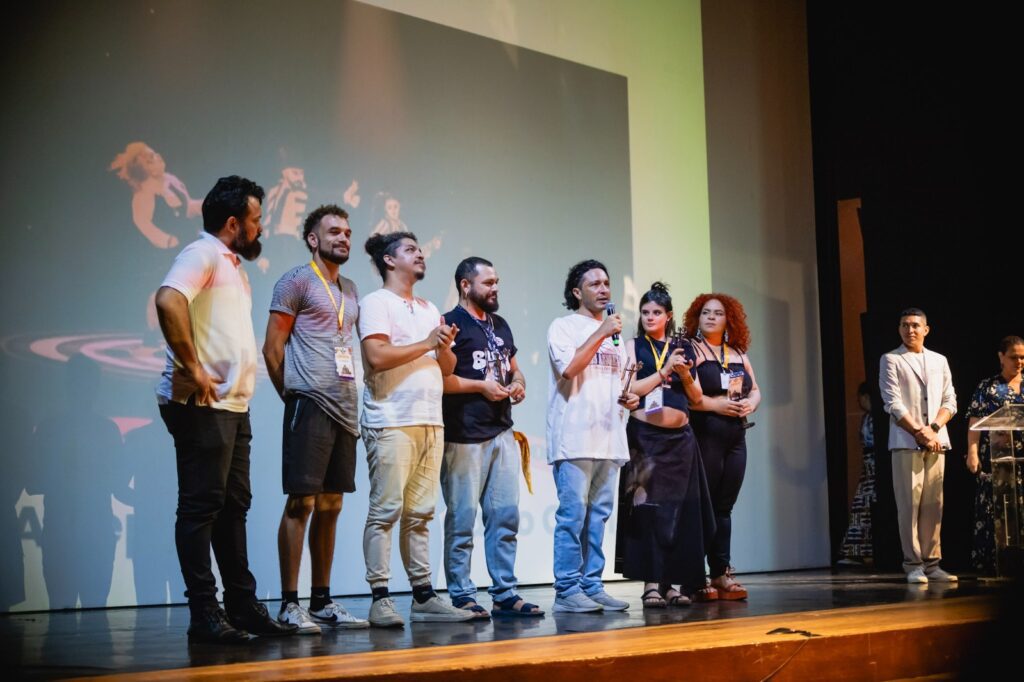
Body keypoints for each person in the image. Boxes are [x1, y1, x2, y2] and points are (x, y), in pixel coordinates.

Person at [155, 175, 296, 642]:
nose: (261, 228)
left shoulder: (232, 265)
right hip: (202, 405)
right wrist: (191, 366)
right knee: (202, 507)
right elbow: (168, 300)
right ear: (233, 223)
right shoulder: (202, 253)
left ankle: (241, 604)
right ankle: (204, 613)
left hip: (233, 406)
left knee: (233, 506)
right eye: (256, 219)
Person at [358, 231, 474, 626]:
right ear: (390, 261)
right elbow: (376, 356)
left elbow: (447, 367)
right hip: (391, 419)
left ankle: (423, 597)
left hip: (430, 419)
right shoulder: (376, 302)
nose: (420, 254)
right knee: (385, 511)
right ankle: (379, 597)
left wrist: (442, 347)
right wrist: (427, 342)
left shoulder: (428, 307)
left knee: (421, 512)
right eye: (411, 250)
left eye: (420, 249)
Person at [263, 205, 368, 633]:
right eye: (334, 231)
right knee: (301, 503)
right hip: (309, 405)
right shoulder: (296, 281)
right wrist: (292, 395)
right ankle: (290, 604)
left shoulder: (351, 289)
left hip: (345, 408)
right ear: (313, 238)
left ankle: (321, 601)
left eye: (347, 232)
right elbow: (273, 348)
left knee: (331, 504)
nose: (343, 238)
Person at [440, 257, 541, 618]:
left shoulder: (501, 324)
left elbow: (516, 370)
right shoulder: (449, 323)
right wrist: (481, 387)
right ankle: (462, 594)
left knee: (505, 517)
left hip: (502, 431)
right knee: (462, 518)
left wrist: (518, 384)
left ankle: (505, 593)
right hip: (464, 435)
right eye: (488, 283)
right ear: (465, 285)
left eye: (497, 281)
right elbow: (442, 380)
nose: (495, 288)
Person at [547, 259, 639, 613]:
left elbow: (617, 384)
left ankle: (591, 584)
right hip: (574, 437)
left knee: (598, 517)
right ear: (577, 292)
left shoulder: (615, 337)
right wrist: (601, 332)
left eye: (606, 283)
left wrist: (629, 398)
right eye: (595, 284)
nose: (604, 290)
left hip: (609, 436)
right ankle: (567, 590)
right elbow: (569, 368)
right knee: (572, 517)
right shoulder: (564, 326)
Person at [615, 283, 712, 608]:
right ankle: (651, 584)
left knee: (678, 512)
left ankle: (672, 584)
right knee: (649, 511)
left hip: (680, 442)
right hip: (646, 439)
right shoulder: (633, 345)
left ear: (668, 315)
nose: (649, 317)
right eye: (645, 312)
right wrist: (664, 370)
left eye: (656, 312)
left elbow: (696, 397)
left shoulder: (683, 347)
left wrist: (684, 374)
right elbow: (630, 388)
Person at [684, 293, 761, 600]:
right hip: (705, 433)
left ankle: (720, 572)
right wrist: (716, 405)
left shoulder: (738, 352)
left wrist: (751, 404)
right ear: (697, 318)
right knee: (702, 507)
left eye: (718, 313)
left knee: (724, 508)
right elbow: (690, 397)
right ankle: (693, 577)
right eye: (706, 312)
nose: (711, 317)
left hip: (736, 435)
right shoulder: (691, 349)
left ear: (729, 319)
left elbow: (755, 390)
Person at [879, 308, 958, 583]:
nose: (910, 330)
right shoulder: (891, 359)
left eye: (915, 325)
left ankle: (932, 564)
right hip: (906, 442)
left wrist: (933, 429)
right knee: (909, 505)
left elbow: (950, 401)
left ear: (926, 329)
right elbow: (892, 402)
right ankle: (913, 563)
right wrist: (918, 432)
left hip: (936, 441)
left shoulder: (939, 360)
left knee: (934, 505)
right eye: (904, 325)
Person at [966, 335, 1024, 575]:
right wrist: (972, 452)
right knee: (996, 510)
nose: (1019, 362)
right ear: (1001, 357)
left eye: (1023, 358)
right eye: (1014, 357)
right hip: (997, 460)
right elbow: (975, 421)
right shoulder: (988, 387)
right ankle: (995, 563)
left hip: (1021, 459)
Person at [110, 142, 202, 249]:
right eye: (152, 157)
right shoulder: (143, 197)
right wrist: (168, 241)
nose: (158, 156)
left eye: (155, 153)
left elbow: (186, 207)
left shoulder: (170, 180)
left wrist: (202, 206)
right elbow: (144, 224)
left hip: (193, 240)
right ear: (146, 169)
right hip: (173, 250)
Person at [837, 383, 877, 565]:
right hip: (868, 468)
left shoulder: (877, 418)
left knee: (868, 509)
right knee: (861, 510)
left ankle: (869, 551)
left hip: (874, 467)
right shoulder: (867, 417)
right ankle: (858, 552)